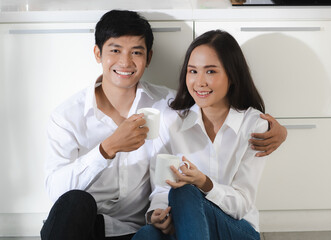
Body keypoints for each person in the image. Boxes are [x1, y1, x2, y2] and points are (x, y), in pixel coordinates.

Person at [41, 9, 286, 240]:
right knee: (75, 202)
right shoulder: (67, 116)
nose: (125, 62)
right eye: (115, 50)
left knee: (172, 206)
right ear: (98, 54)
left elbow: (213, 105)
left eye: (136, 52)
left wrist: (280, 131)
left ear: (149, 58)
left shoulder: (168, 107)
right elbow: (56, 193)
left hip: (134, 228)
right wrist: (106, 150)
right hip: (86, 225)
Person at [133, 30, 274, 240]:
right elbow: (162, 187)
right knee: (147, 234)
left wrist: (205, 184)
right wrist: (158, 213)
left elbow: (242, 205)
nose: (199, 82)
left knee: (186, 191)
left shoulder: (254, 125)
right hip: (187, 224)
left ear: (232, 75)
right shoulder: (170, 119)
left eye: (210, 72)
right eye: (193, 71)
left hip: (236, 229)